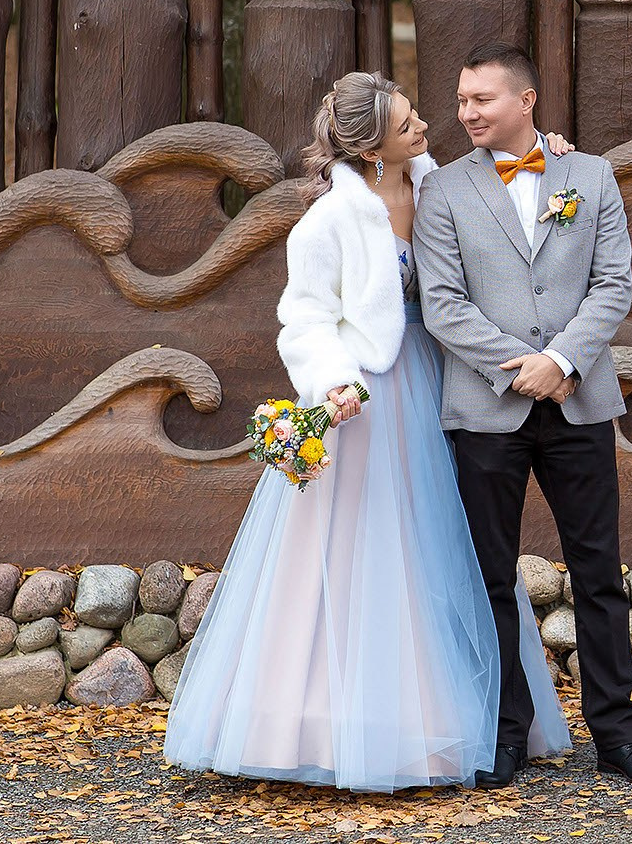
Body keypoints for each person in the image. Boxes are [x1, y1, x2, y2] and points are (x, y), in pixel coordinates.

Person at [163, 72, 573, 792]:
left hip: (444, 380)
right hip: (370, 394)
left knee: (453, 543)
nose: (425, 124)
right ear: (370, 145)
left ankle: (482, 713)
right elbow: (305, 316)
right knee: (364, 554)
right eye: (408, 120)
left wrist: (554, 151)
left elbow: (513, 196)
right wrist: (332, 380)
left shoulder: (442, 183)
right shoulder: (328, 220)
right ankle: (339, 726)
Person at [416, 43, 632, 789]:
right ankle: (505, 732)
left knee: (598, 572)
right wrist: (520, 366)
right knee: (489, 577)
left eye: (481, 100)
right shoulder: (443, 190)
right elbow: (441, 303)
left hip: (579, 401)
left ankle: (620, 736)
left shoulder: (589, 175)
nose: (465, 113)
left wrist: (561, 361)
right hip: (484, 409)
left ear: (526, 101)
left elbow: (614, 282)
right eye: (461, 100)